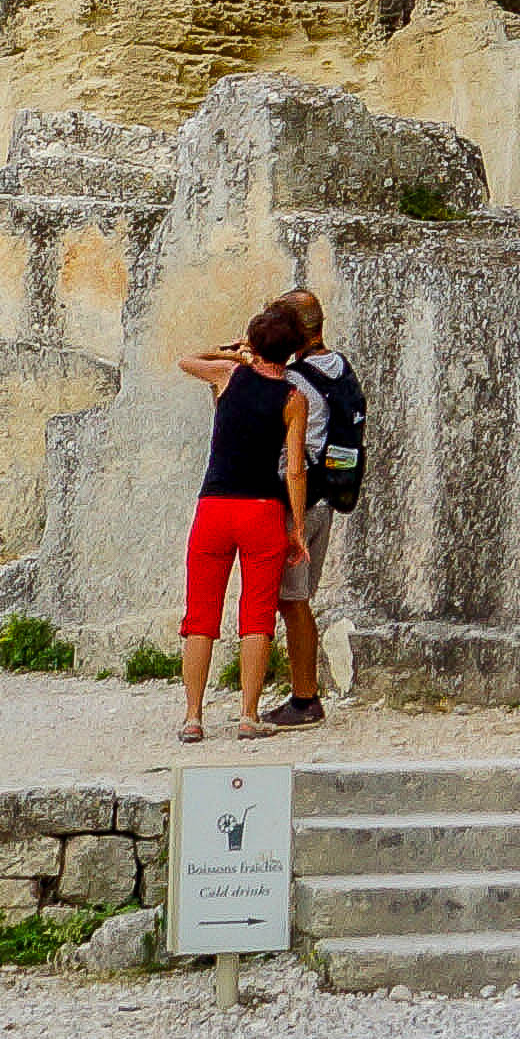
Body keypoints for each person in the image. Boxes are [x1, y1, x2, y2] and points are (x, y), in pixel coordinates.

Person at [169, 301, 313, 745]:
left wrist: (234, 354)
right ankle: (248, 715)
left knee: (200, 615)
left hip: (214, 505)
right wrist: (297, 528)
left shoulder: (227, 377)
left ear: (253, 341)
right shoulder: (294, 398)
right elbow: (294, 469)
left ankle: (193, 716)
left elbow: (186, 359)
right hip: (261, 509)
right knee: (255, 616)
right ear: (292, 351)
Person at [254, 290, 365, 727]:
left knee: (293, 601)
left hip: (298, 501)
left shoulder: (295, 381)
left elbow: (285, 448)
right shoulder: (339, 368)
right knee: (296, 598)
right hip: (329, 497)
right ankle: (302, 695)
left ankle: (305, 699)